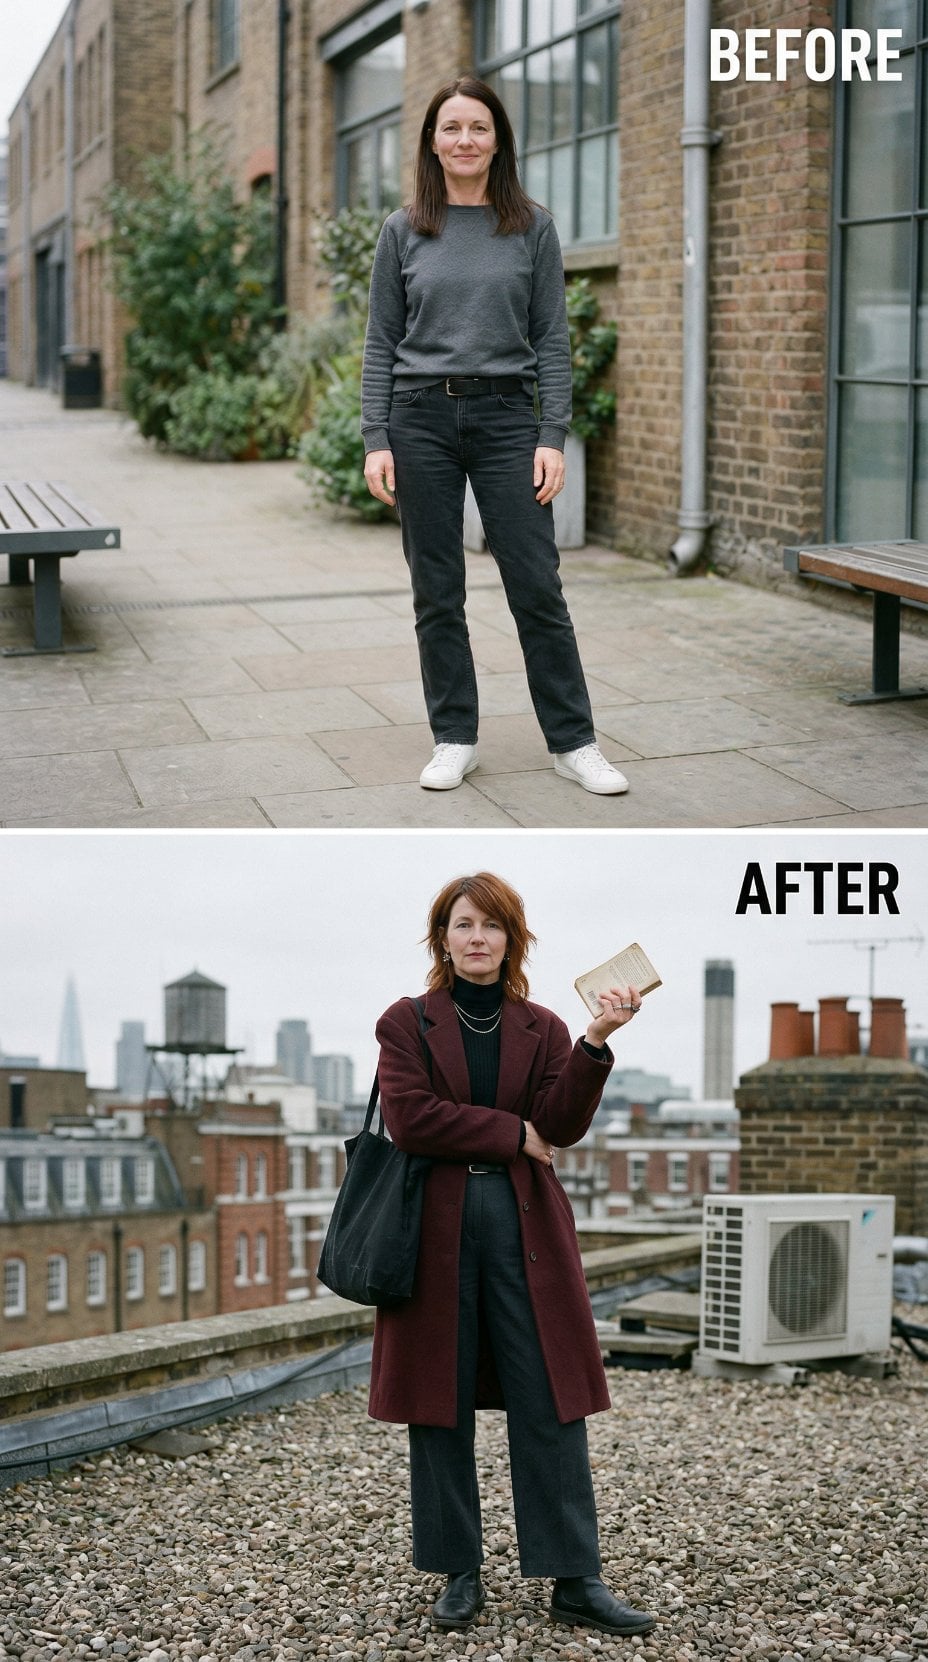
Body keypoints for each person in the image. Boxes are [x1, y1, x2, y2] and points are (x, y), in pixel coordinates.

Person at [370, 871, 656, 1638]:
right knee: (440, 1406)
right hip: (433, 1232)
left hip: (527, 1230)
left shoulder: (547, 1026)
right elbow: (410, 1120)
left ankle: (574, 1578)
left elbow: (560, 1125)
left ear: (511, 939)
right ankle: (458, 1573)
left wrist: (597, 1041)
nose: (477, 938)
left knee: (551, 1402)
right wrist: (510, 1132)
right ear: (443, 937)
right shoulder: (406, 1023)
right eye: (463, 924)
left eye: (491, 926)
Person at [360, 78, 628, 798]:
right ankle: (454, 737)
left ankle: (574, 743)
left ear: (499, 139)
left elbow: (551, 339)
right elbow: (382, 342)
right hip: (419, 420)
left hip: (509, 419)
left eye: (479, 127)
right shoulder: (402, 229)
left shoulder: (531, 227)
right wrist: (375, 436)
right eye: (451, 128)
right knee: (437, 590)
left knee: (537, 584)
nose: (465, 140)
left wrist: (551, 433)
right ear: (432, 142)